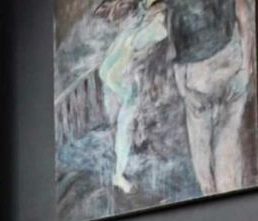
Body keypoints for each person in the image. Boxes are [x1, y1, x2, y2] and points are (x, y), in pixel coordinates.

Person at [165, 0, 254, 195]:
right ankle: (229, 195)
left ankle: (210, 195)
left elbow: (173, 29)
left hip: (195, 73)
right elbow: (244, 14)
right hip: (229, 62)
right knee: (228, 138)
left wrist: (179, 75)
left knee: (200, 142)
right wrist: (247, 64)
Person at [98, 0, 169, 194]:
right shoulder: (145, 27)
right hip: (120, 80)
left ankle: (120, 170)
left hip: (117, 76)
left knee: (123, 125)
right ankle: (119, 173)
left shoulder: (146, 24)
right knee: (124, 125)